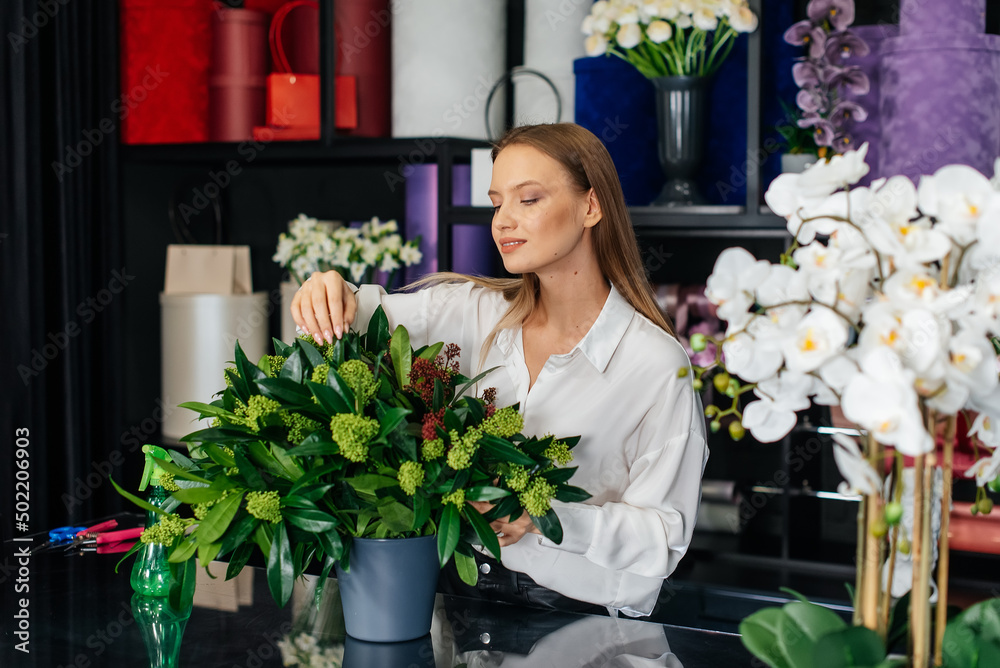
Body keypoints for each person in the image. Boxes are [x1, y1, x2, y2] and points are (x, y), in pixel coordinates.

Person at [291, 123, 707, 618]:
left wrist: (543, 516)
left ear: (591, 207)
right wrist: (327, 288)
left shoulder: (654, 363)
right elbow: (357, 316)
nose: (503, 221)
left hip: (581, 629)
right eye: (496, 203)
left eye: (527, 199)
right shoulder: (470, 311)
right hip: (452, 603)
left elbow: (663, 539)